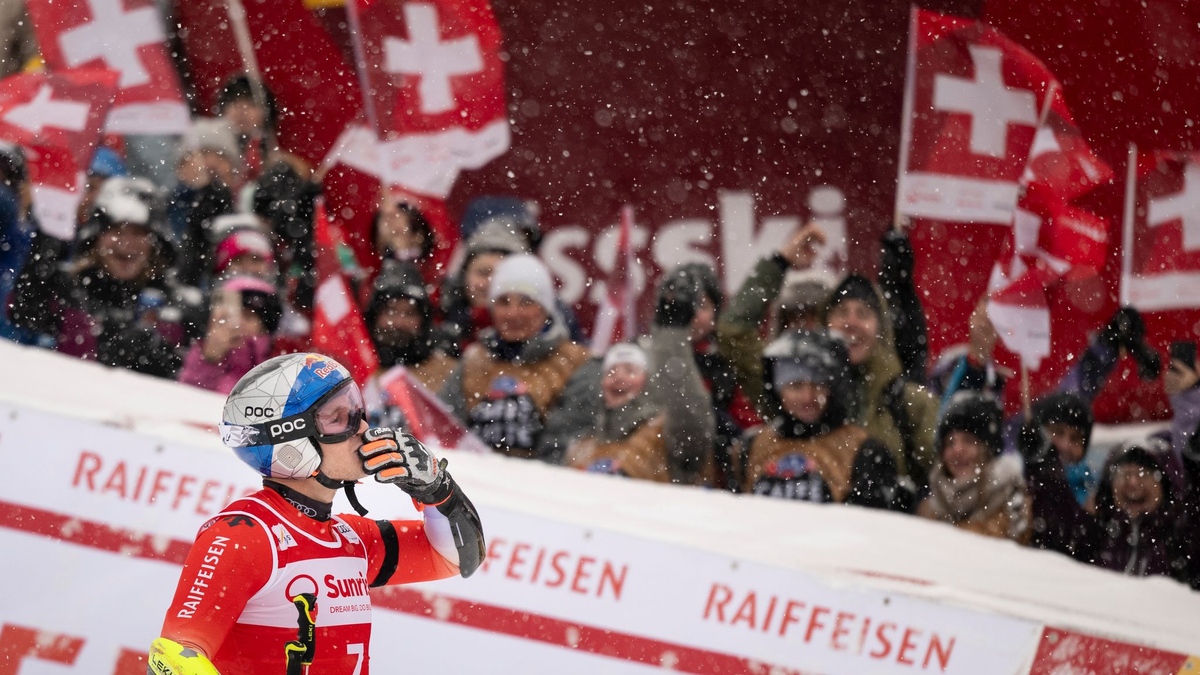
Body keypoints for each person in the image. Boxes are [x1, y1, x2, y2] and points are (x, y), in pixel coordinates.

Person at [149, 353, 484, 675]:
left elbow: (459, 556)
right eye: (339, 418)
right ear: (292, 445)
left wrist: (436, 488)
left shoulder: (350, 539)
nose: (363, 427)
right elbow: (174, 659)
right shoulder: (244, 534)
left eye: (356, 410)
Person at [10, 177, 195, 378]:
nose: (126, 244)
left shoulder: (175, 305)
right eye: (116, 231)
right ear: (96, 238)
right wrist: (45, 247)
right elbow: (21, 315)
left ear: (156, 243)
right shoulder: (66, 289)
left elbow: (190, 378)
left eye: (138, 233)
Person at [441, 253, 599, 461]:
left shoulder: (577, 361)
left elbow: (564, 446)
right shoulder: (475, 359)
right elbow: (443, 429)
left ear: (545, 309)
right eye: (503, 302)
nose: (513, 313)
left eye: (526, 302)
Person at [741, 330, 906, 509]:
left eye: (818, 385)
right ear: (778, 391)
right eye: (795, 386)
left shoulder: (865, 450)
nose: (807, 397)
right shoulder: (754, 446)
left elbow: (867, 527)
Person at [1021, 423, 1197, 583]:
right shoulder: (1095, 535)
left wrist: (1196, 468)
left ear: (1165, 488)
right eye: (1125, 474)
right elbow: (1057, 522)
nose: (1133, 483)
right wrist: (1042, 463)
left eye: (1144, 475)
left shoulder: (1179, 540)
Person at [824, 273, 940, 485]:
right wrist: (780, 262)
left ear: (881, 329)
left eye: (863, 313)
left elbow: (952, 476)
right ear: (825, 323)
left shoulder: (911, 401)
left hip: (886, 518)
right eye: (841, 312)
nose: (851, 323)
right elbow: (742, 334)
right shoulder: (800, 395)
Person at [917, 392, 1031, 542]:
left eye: (969, 441)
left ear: (988, 451)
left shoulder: (1011, 500)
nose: (957, 451)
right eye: (950, 443)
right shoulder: (929, 509)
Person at [566, 344, 671, 482]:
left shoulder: (661, 428)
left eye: (631, 371)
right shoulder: (585, 443)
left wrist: (619, 470)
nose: (619, 377)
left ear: (648, 382)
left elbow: (640, 460)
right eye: (611, 371)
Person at [176, 276, 282, 394]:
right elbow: (186, 395)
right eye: (228, 317)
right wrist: (209, 359)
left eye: (248, 317)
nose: (238, 323)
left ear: (265, 328)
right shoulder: (202, 353)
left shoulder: (277, 361)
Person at [366, 261, 457, 394]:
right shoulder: (354, 371)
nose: (398, 323)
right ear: (374, 317)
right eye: (390, 312)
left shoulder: (448, 372)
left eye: (409, 313)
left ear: (424, 321)